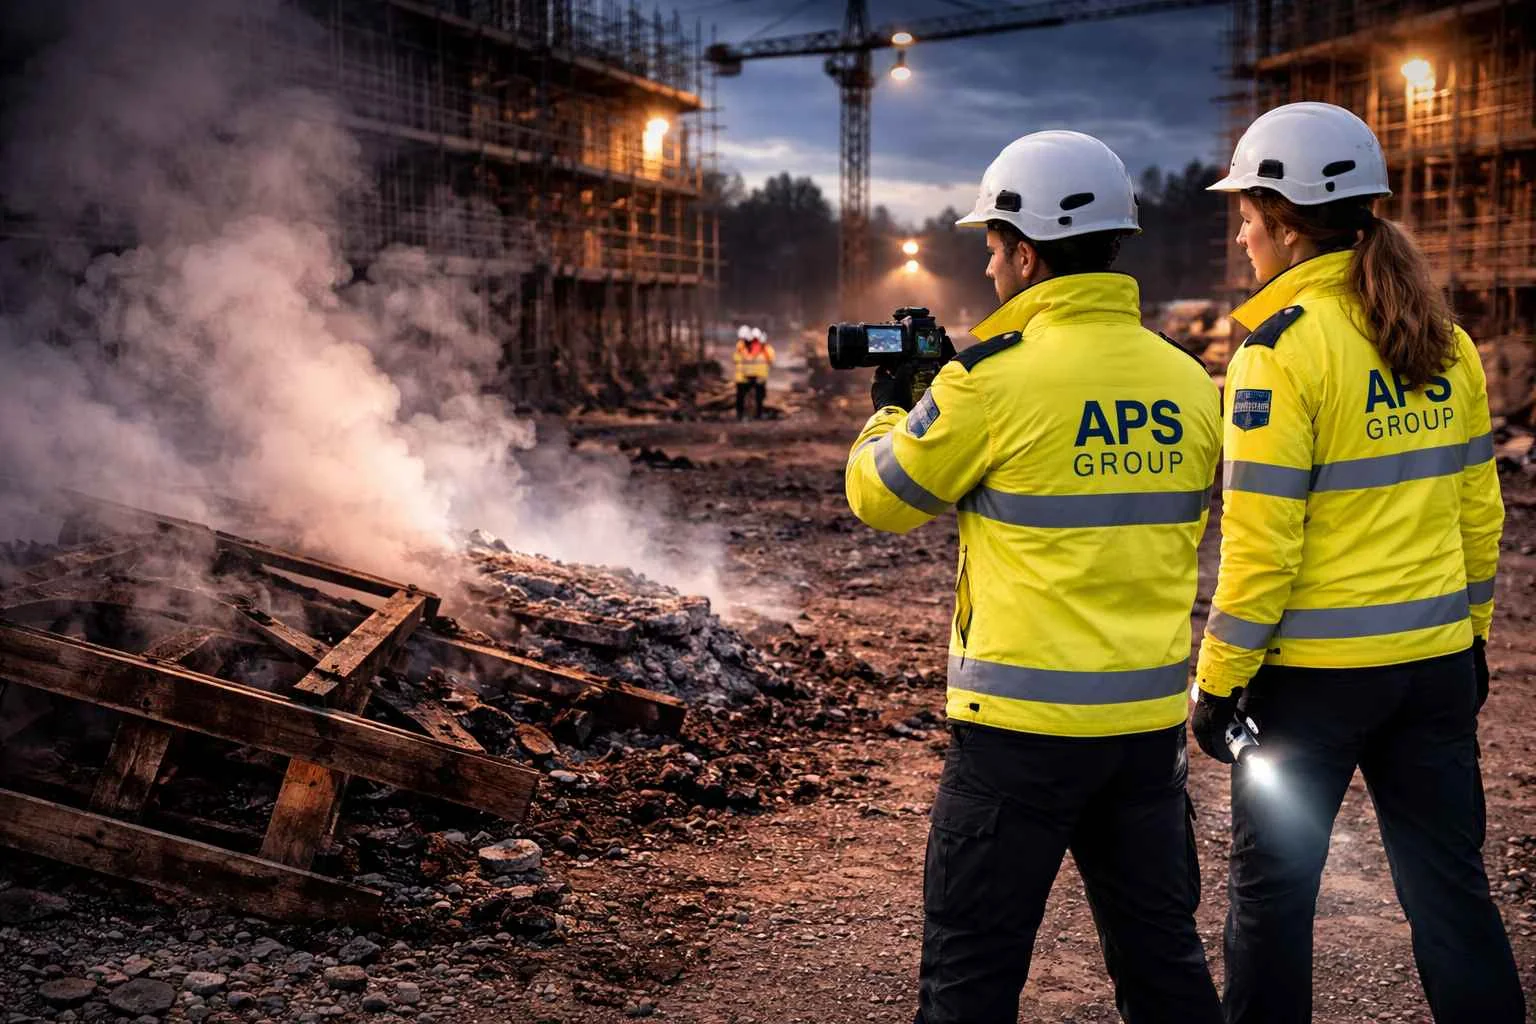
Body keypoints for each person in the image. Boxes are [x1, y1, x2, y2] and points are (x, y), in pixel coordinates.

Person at [845, 130, 1225, 1024]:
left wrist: (897, 407)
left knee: (972, 981)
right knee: (1164, 965)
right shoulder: (1188, 381)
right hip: (1143, 730)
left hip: (1018, 738)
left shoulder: (988, 383)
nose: (985, 267)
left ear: (1025, 250)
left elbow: (883, 498)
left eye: (990, 246)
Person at [1190, 101, 1524, 1024]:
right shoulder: (1445, 342)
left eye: (1248, 215)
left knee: (1273, 903)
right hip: (1434, 669)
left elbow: (1261, 548)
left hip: (1315, 690)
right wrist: (1473, 639)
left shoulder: (1279, 354)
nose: (1244, 234)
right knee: (1451, 895)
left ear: (1287, 221)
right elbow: (1476, 510)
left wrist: (1217, 684)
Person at [733, 325, 774, 420]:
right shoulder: (743, 348)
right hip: (747, 375)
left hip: (755, 376)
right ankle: (745, 414)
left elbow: (770, 358)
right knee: (746, 397)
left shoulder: (761, 349)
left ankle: (753, 414)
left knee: (757, 397)